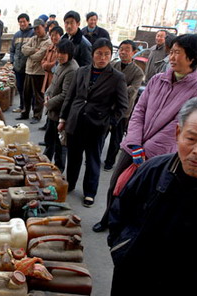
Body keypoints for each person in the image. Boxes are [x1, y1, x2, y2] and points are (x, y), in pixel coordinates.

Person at [108, 97, 197, 296]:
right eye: (191, 139)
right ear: (178, 133)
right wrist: (121, 250)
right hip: (133, 281)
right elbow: (120, 214)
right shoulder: (152, 170)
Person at [93, 33, 197, 232]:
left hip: (159, 154)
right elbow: (139, 110)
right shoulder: (157, 80)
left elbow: (179, 125)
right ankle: (108, 218)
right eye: (171, 52)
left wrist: (146, 150)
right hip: (134, 146)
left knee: (140, 191)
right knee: (116, 184)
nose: (171, 57)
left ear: (192, 57)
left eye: (177, 53)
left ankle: (125, 226)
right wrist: (135, 142)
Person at [58, 38, 128, 207]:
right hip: (76, 121)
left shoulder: (117, 77)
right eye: (99, 53)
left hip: (97, 125)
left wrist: (109, 122)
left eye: (106, 54)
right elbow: (70, 96)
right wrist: (63, 118)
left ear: (111, 55)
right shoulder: (81, 71)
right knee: (73, 157)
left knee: (92, 160)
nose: (102, 57)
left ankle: (90, 192)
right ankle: (71, 184)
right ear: (93, 54)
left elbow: (123, 106)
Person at [103, 40, 144, 172]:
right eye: (121, 49)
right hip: (107, 106)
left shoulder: (138, 72)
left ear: (134, 52)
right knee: (101, 134)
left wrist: (115, 88)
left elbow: (132, 90)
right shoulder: (113, 65)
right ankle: (94, 157)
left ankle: (109, 162)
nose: (123, 52)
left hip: (123, 110)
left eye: (127, 49)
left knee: (116, 138)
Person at [43, 38, 78, 172]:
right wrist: (47, 94)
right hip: (53, 112)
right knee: (49, 141)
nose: (59, 55)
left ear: (69, 53)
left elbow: (66, 95)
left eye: (63, 53)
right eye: (58, 52)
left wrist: (49, 103)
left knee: (59, 145)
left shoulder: (72, 69)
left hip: (61, 114)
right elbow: (53, 84)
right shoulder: (61, 64)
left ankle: (58, 172)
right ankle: (45, 165)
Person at [17, 18, 51, 124]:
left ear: (44, 27)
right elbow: (23, 49)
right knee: (26, 93)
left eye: (38, 28)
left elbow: (39, 56)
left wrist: (30, 54)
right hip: (29, 71)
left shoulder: (47, 41)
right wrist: (33, 50)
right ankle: (25, 112)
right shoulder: (33, 39)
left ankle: (37, 115)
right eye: (35, 29)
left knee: (38, 96)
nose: (36, 31)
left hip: (39, 72)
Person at [9, 13, 34, 113]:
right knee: (20, 88)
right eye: (20, 22)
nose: (22, 24)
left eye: (24, 21)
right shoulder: (17, 35)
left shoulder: (33, 34)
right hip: (18, 67)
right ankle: (22, 106)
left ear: (28, 22)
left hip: (29, 68)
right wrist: (12, 61)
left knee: (29, 90)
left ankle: (31, 109)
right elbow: (12, 50)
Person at [41, 26, 64, 93]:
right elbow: (43, 61)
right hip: (47, 78)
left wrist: (46, 65)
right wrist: (45, 65)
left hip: (55, 79)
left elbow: (57, 64)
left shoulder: (62, 49)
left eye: (56, 35)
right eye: (51, 35)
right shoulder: (50, 47)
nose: (53, 37)